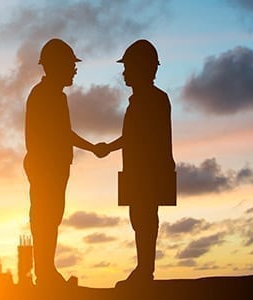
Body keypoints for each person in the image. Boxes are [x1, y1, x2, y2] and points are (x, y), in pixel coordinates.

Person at [96, 39, 176, 287]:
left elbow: (142, 137)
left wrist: (108, 147)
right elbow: (133, 137)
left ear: (144, 68)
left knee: (145, 219)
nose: (124, 72)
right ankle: (143, 270)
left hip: (147, 172)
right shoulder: (143, 99)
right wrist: (110, 147)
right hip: (137, 171)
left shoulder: (153, 99)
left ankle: (144, 272)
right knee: (139, 219)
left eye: (128, 67)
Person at [24, 38, 101, 287]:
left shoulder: (54, 96)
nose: (74, 70)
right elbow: (61, 134)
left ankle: (47, 271)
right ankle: (45, 274)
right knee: (45, 217)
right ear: (56, 66)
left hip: (54, 166)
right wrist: (93, 148)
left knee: (51, 217)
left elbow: (62, 133)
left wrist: (91, 148)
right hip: (46, 167)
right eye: (70, 65)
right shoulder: (46, 95)